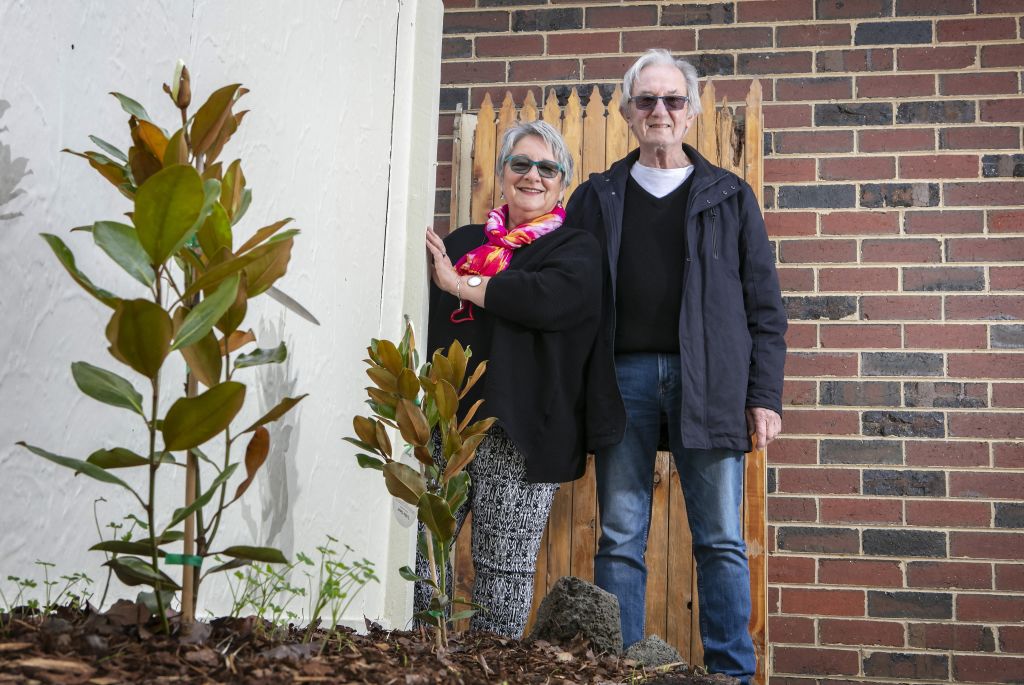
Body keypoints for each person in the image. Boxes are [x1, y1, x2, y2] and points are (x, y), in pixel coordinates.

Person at [566, 49, 787, 684]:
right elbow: (568, 292)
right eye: (646, 101)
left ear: (690, 113)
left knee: (719, 539)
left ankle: (731, 675)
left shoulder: (729, 195)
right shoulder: (597, 195)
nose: (659, 111)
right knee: (620, 537)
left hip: (711, 382)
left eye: (672, 100)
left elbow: (765, 307)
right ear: (629, 112)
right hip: (623, 380)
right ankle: (622, 672)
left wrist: (763, 395)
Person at [420, 120, 602, 637]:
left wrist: (463, 284)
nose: (533, 176)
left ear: (563, 182)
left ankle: (490, 668)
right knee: (422, 554)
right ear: (502, 175)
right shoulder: (462, 242)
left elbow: (543, 299)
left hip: (523, 432)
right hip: (448, 424)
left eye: (547, 168)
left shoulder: (576, 249)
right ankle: (415, 655)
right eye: (520, 164)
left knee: (503, 573)